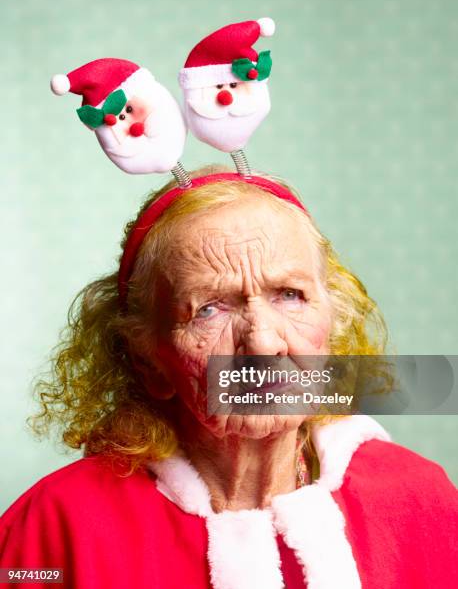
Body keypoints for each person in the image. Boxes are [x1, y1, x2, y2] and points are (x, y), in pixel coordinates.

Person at [1, 165, 457, 589]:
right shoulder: (56, 525)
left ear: (331, 329)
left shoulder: (421, 501)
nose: (262, 344)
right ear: (147, 359)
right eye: (209, 309)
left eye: (290, 295)